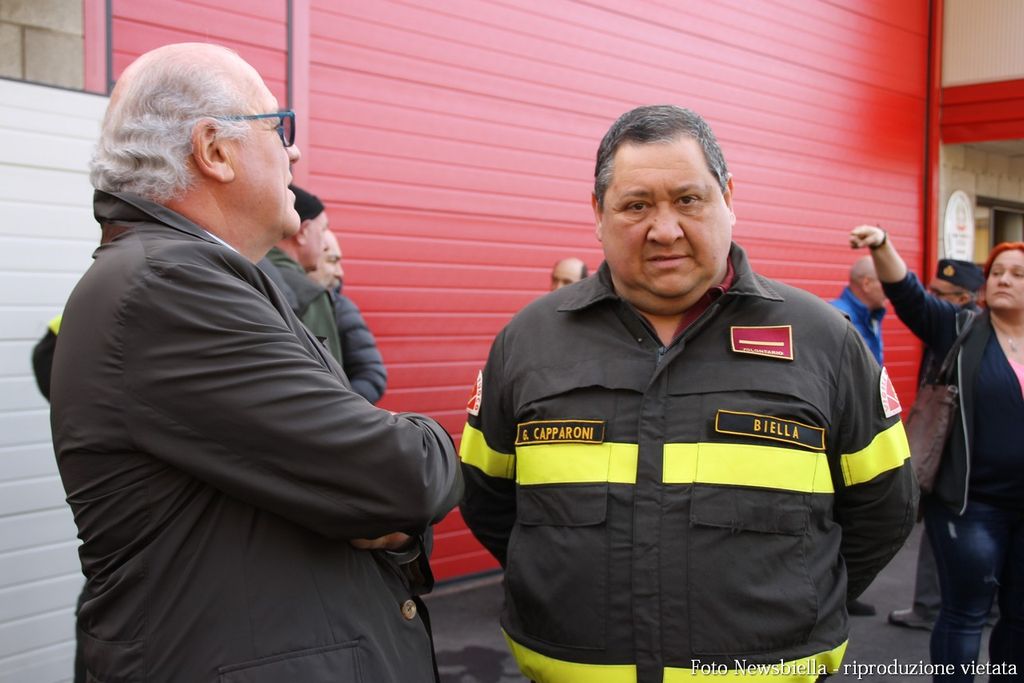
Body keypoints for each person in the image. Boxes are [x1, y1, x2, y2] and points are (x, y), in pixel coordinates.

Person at [459, 105, 917, 683]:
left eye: (688, 199)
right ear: (598, 213)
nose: (665, 229)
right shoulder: (528, 342)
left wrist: (801, 599)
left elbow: (884, 506)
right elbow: (487, 495)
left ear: (728, 197)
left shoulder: (823, 340)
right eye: (636, 205)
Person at [49, 42, 462, 683]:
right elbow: (404, 477)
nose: (294, 153)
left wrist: (389, 515)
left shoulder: (185, 276)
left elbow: (369, 492)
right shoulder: (170, 287)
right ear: (214, 151)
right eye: (278, 126)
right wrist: (425, 449)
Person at [851, 225, 1024, 681]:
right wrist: (882, 244)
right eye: (997, 272)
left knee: (1020, 618)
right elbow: (908, 295)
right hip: (970, 506)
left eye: (1017, 274)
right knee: (965, 614)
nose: (1004, 279)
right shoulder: (961, 328)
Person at [888, 258, 984, 632]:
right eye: (931, 291)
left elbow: (910, 299)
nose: (932, 299)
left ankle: (930, 607)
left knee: (943, 522)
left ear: (963, 298)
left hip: (953, 450)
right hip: (960, 450)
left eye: (940, 294)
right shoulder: (979, 328)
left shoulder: (959, 325)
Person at [265, 183, 343, 363]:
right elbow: (328, 372)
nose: (325, 245)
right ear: (303, 232)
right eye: (322, 230)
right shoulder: (310, 294)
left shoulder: (245, 270)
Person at [310, 227, 388, 403]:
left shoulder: (341, 309)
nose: (340, 272)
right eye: (332, 261)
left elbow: (371, 375)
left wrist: (338, 407)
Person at [831, 255, 888, 364]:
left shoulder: (872, 315)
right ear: (866, 284)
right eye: (885, 283)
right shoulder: (838, 318)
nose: (890, 290)